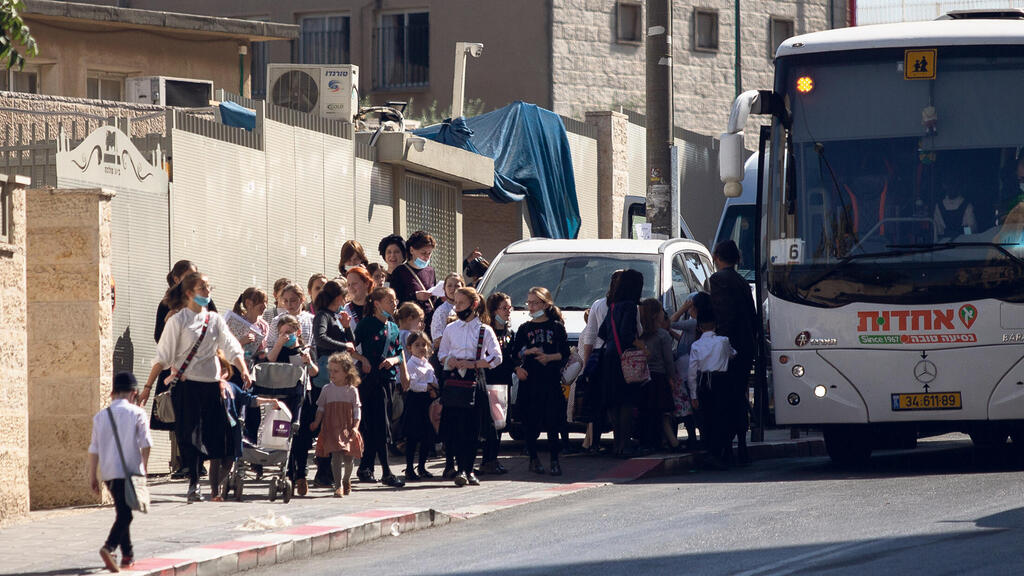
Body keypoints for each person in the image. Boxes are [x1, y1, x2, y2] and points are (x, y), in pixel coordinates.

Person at [139, 272, 251, 502]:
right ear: (189, 293)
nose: (208, 292)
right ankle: (194, 483)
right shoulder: (178, 321)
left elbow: (230, 347)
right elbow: (163, 356)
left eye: (209, 288)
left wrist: (244, 369)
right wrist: (148, 386)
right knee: (190, 437)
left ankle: (215, 487)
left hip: (212, 386)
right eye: (203, 288)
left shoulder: (215, 320)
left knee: (217, 435)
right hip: (187, 387)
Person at [438, 287, 502, 487]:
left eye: (461, 303)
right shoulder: (450, 329)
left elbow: (496, 357)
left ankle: (468, 469)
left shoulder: (484, 329)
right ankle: (456, 468)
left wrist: (474, 364)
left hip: (475, 378)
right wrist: (452, 361)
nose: (457, 307)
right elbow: (441, 354)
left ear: (473, 305)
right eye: (455, 303)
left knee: (472, 428)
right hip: (454, 379)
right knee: (454, 426)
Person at [90, 372, 152, 572]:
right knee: (126, 516)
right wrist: (145, 467)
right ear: (134, 393)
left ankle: (128, 555)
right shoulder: (137, 413)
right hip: (130, 472)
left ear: (112, 393)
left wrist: (93, 475)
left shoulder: (100, 416)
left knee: (122, 512)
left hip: (108, 473)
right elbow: (146, 444)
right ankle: (109, 547)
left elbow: (94, 448)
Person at [309, 279, 361, 491]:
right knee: (327, 423)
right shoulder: (323, 315)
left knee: (341, 422)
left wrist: (347, 328)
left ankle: (333, 472)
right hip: (327, 373)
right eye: (343, 296)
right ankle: (323, 472)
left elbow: (352, 343)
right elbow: (320, 339)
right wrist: (343, 345)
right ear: (336, 297)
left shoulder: (337, 317)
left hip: (342, 374)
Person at [512, 287, 569, 476]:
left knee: (553, 422)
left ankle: (554, 460)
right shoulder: (524, 328)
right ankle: (533, 459)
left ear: (545, 304)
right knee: (530, 423)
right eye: (529, 302)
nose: (531, 306)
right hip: (530, 382)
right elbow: (513, 354)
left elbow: (566, 353)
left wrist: (549, 357)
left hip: (550, 381)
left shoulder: (556, 327)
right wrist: (523, 358)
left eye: (535, 302)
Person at [354, 287, 408, 488]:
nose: (394, 304)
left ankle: (365, 467)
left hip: (389, 380)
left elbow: (399, 350)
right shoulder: (366, 324)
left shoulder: (393, 326)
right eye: (390, 300)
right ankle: (386, 471)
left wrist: (398, 365)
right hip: (370, 381)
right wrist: (363, 360)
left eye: (395, 300)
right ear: (376, 303)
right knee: (379, 425)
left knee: (378, 423)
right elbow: (351, 347)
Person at [709, 240, 756, 466]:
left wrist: (721, 344)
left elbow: (724, 316)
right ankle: (742, 445)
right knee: (739, 396)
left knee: (724, 399)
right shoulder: (742, 282)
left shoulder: (718, 280)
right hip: (746, 347)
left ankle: (726, 448)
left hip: (730, 348)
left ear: (717, 257)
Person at [212, 350, 281, 501]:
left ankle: (219, 485)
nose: (220, 372)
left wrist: (269, 401)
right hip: (215, 428)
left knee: (229, 460)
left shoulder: (232, 387)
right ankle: (214, 492)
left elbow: (249, 399)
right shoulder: (209, 388)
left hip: (232, 429)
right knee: (215, 459)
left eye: (222, 368)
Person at [151, 260, 199, 477]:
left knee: (197, 416)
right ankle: (182, 461)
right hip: (174, 366)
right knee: (176, 415)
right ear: (177, 278)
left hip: (198, 366)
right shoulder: (167, 303)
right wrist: (170, 319)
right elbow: (158, 337)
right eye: (188, 275)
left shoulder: (201, 300)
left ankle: (196, 461)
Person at [267, 314, 319, 491]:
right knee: (285, 436)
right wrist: (279, 344)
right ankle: (287, 472)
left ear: (297, 332)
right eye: (283, 333)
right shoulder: (279, 349)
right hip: (284, 397)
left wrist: (309, 361)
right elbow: (270, 360)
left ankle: (302, 475)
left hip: (302, 397)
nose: (287, 336)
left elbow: (314, 372)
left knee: (302, 438)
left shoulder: (304, 350)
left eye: (290, 332)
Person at [596, 269, 645, 457]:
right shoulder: (631, 307)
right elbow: (626, 335)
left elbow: (602, 332)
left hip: (609, 358)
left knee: (614, 402)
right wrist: (640, 344)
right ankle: (624, 445)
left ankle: (617, 444)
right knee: (626, 401)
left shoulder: (613, 306)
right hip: (624, 359)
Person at [688, 292, 736, 469]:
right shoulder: (723, 341)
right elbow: (733, 354)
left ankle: (711, 452)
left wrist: (693, 394)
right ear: (716, 325)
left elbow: (692, 372)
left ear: (699, 327)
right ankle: (723, 451)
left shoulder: (695, 345)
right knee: (723, 416)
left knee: (707, 418)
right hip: (722, 382)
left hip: (703, 383)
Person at [578, 270, 624, 452]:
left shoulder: (598, 304)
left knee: (597, 402)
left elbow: (590, 335)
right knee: (618, 401)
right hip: (619, 357)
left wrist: (588, 363)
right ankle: (620, 442)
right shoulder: (630, 306)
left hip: (599, 356)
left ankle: (594, 443)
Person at [311, 352, 364, 497]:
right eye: (330, 371)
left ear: (346, 372)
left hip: (347, 428)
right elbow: (321, 408)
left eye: (336, 371)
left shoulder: (352, 390)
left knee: (348, 459)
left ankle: (346, 479)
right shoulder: (327, 389)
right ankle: (338, 484)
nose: (332, 374)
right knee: (335, 456)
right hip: (331, 428)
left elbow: (356, 409)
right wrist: (316, 422)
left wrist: (355, 426)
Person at [639, 299, 682, 451]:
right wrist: (671, 377)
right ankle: (662, 442)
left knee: (646, 412)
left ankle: (647, 442)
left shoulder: (639, 334)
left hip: (642, 377)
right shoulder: (662, 335)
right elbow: (668, 360)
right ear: (657, 314)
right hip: (659, 377)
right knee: (660, 412)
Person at [479, 292, 514, 475]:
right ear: (494, 310)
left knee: (500, 424)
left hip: (504, 382)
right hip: (491, 382)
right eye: (504, 308)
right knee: (491, 424)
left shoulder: (509, 332)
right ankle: (487, 460)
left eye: (510, 307)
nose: (508, 311)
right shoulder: (487, 331)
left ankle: (493, 458)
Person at [403, 331, 437, 480]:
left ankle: (422, 466)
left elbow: (434, 379)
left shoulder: (427, 364)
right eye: (417, 345)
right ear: (410, 348)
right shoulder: (411, 364)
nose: (421, 348)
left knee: (426, 436)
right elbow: (413, 384)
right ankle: (409, 468)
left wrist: (434, 388)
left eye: (424, 344)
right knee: (412, 436)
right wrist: (427, 387)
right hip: (415, 401)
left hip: (427, 402)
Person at [388, 230, 437, 322]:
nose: (426, 257)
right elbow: (395, 300)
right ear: (411, 250)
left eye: (429, 253)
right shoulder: (400, 271)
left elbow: (433, 299)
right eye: (423, 253)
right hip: (409, 321)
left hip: (429, 322)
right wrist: (415, 296)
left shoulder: (430, 271)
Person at [267, 282, 315, 355]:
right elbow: (269, 346)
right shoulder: (277, 320)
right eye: (286, 301)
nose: (289, 304)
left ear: (302, 299)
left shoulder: (311, 319)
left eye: (293, 300)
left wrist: (309, 350)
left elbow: (315, 345)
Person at [431, 273, 464, 348]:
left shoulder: (468, 308)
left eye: (457, 286)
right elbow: (437, 340)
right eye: (449, 286)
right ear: (444, 289)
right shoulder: (442, 311)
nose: (453, 289)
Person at [344, 266, 375, 332]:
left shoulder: (378, 307)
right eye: (348, 285)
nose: (351, 288)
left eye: (354, 284)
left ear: (366, 283)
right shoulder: (345, 311)